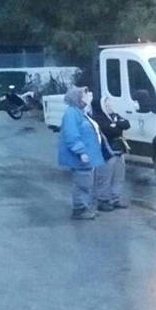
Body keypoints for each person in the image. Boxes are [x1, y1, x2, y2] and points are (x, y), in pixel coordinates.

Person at [57, 86, 107, 220]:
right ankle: (79, 209)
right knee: (82, 182)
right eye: (86, 95)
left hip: (88, 155)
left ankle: (85, 207)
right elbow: (71, 135)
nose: (89, 96)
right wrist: (81, 152)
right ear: (78, 98)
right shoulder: (72, 114)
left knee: (87, 181)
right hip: (81, 157)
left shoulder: (80, 112)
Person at [92, 96, 132, 212]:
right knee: (105, 176)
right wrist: (116, 125)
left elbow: (127, 124)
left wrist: (115, 124)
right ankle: (103, 200)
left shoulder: (114, 115)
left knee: (118, 176)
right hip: (106, 152)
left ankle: (115, 199)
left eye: (110, 104)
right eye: (107, 105)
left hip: (119, 150)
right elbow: (109, 130)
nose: (110, 106)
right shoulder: (98, 117)